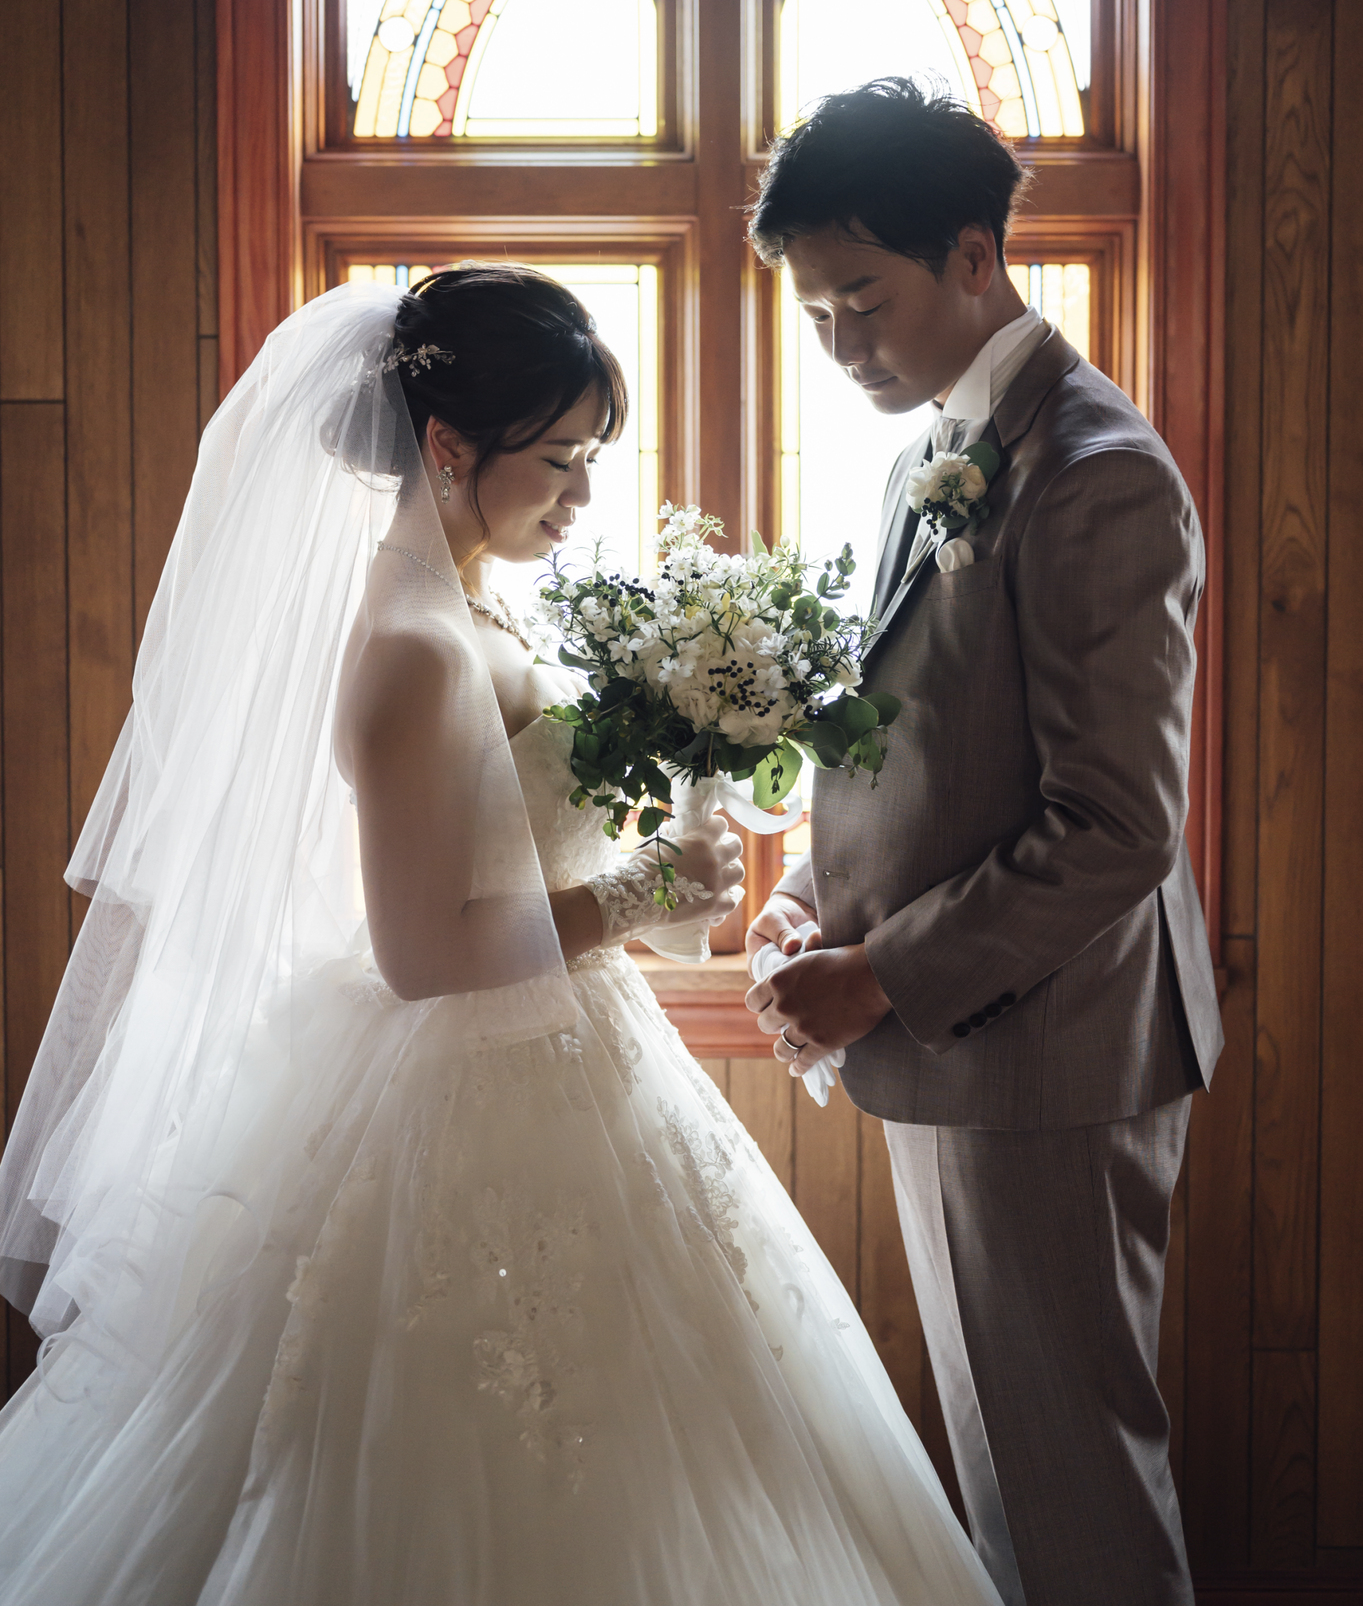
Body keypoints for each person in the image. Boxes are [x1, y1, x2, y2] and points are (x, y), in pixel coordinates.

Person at [0, 261, 1000, 1606]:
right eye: (559, 462)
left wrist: (664, 856)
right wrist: (640, 894)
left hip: (571, 1043)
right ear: (448, 445)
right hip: (461, 1080)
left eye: (592, 459)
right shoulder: (412, 645)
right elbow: (421, 954)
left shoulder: (478, 597)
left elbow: (515, 851)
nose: (581, 497)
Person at [744, 78, 1223, 1606]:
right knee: (1013, 1481)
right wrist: (810, 897)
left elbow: (1115, 825)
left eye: (863, 301)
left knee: (1073, 1487)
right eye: (816, 314)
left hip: (1048, 1058)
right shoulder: (932, 450)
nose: (842, 346)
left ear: (971, 254)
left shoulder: (1096, 471)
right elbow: (928, 742)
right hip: (961, 1041)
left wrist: (880, 973)